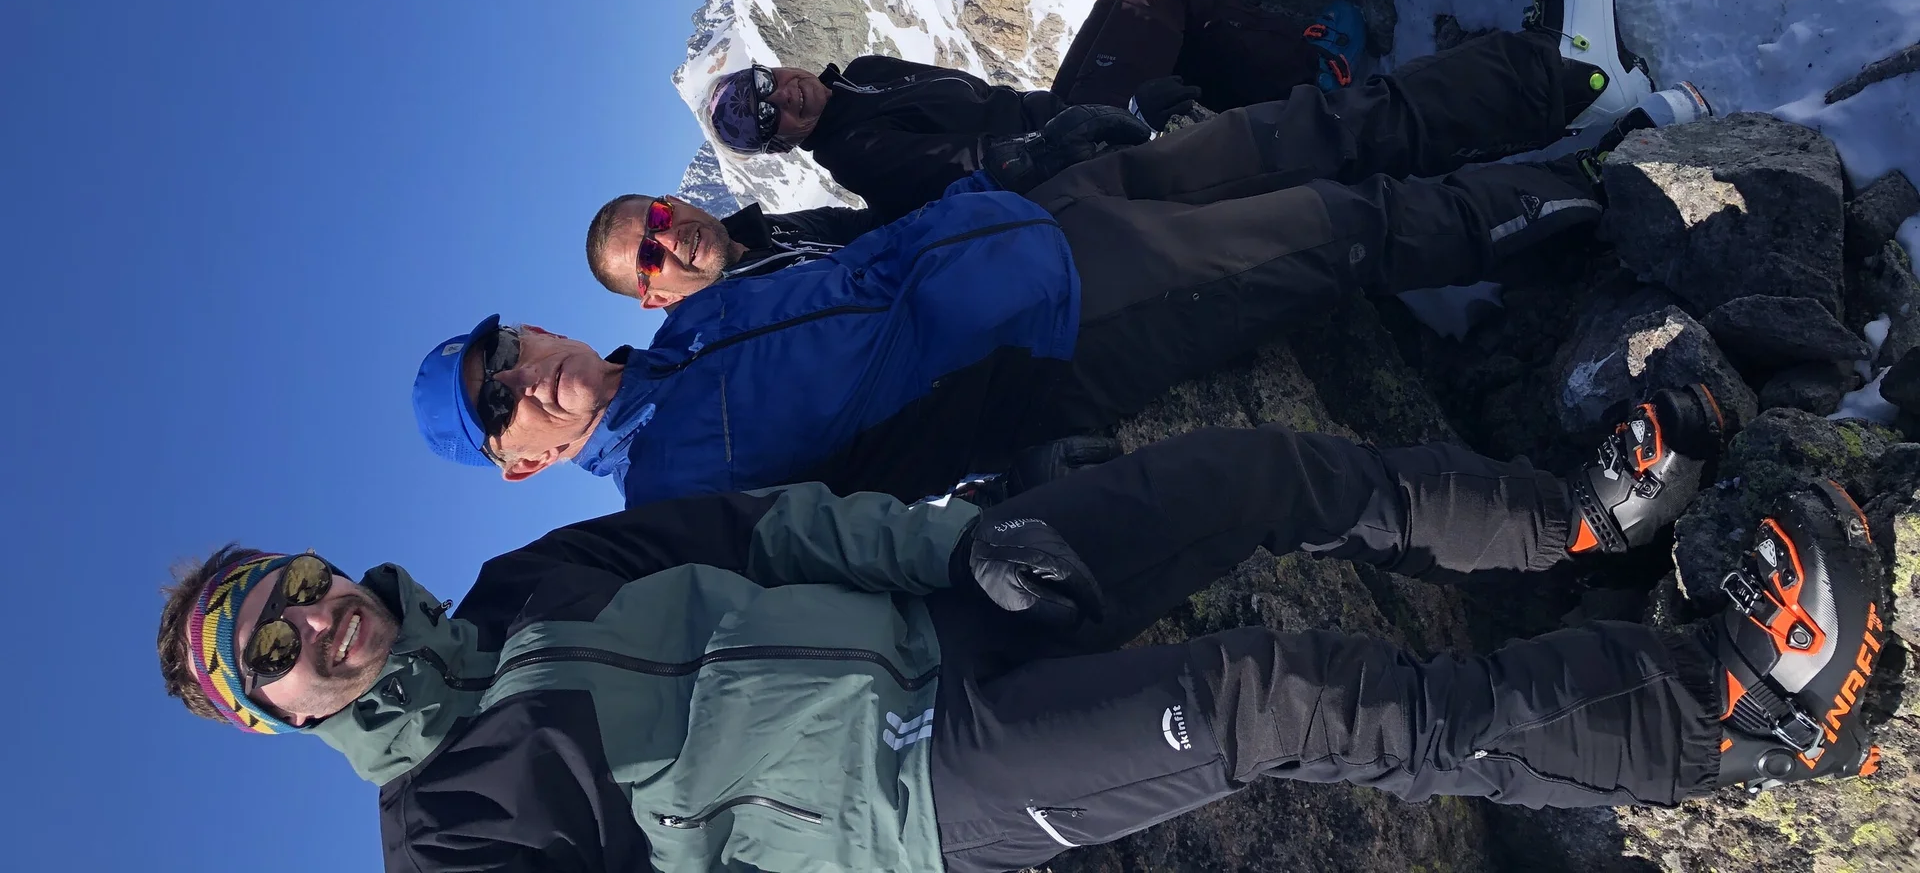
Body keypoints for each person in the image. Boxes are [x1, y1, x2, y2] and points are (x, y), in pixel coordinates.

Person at [156, 391, 1889, 873]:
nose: (315, 620)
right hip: (917, 793)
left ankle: (1575, 516)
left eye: (294, 588)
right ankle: (1728, 715)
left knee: (1240, 474)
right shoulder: (446, 833)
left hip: (949, 606)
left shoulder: (535, 581)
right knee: (1275, 697)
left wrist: (966, 548)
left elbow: (770, 527)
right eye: (277, 647)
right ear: (272, 717)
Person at [421, 0, 1710, 509]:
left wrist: (1041, 165)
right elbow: (855, 514)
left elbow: (883, 263)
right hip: (1074, 327)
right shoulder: (670, 490)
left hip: (1052, 218)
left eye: (509, 347)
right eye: (499, 401)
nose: (526, 373)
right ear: (518, 458)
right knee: (1346, 231)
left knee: (1311, 133)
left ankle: (1564, 79)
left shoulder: (692, 341)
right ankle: (1613, 181)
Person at [709, 0, 1358, 222]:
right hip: (1067, 138)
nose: (783, 98)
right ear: (782, 146)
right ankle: (1315, 68)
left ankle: (1281, 83)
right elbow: (967, 170)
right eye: (771, 119)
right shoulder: (855, 151)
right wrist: (1083, 136)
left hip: (1051, 108)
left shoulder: (861, 77)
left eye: (765, 84)